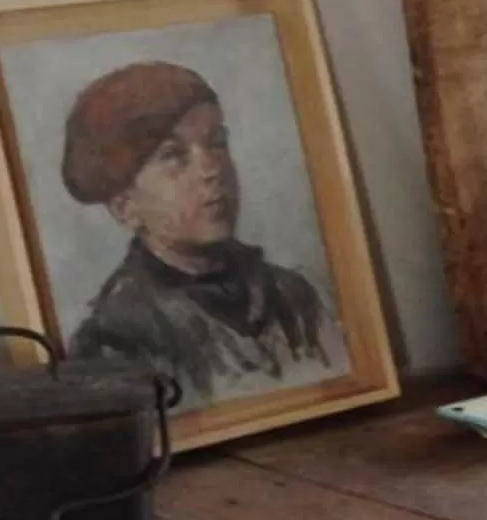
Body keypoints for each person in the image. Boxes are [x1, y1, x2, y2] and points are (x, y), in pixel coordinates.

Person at [59, 61, 333, 404]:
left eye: (217, 143)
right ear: (124, 206)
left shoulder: (293, 294)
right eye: (174, 155)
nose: (211, 169)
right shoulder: (116, 339)